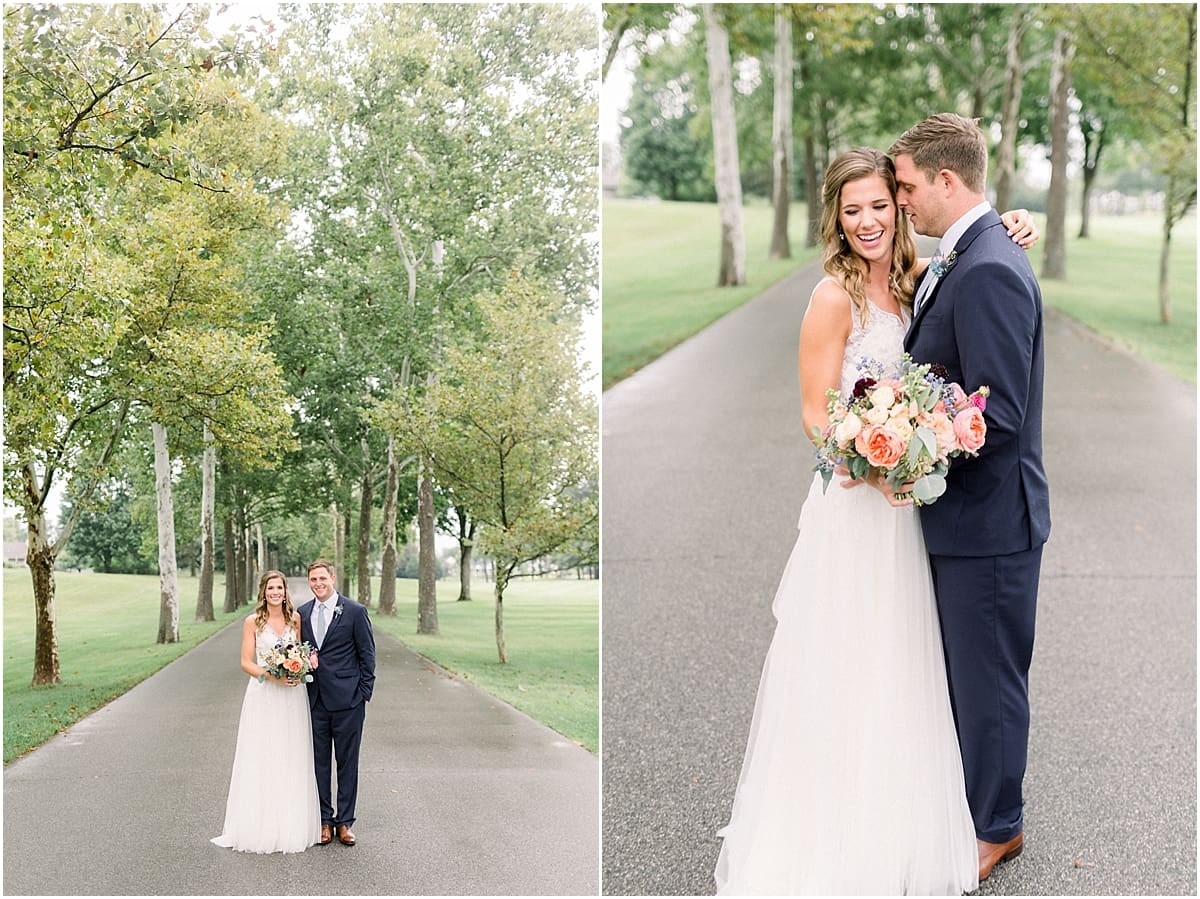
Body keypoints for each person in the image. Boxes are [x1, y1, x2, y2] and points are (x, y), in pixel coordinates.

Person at [713, 146, 1038, 894]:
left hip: (909, 509)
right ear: (836, 216)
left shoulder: (918, 281)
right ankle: (832, 816)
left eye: (879, 206)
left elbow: (975, 256)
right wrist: (867, 460)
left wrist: (1014, 218)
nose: (866, 221)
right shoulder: (834, 297)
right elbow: (812, 409)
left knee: (906, 658)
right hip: (858, 505)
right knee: (845, 657)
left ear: (900, 208)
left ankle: (903, 809)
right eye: (851, 209)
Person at [890, 113, 1050, 883]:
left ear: (947, 181)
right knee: (968, 673)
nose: (903, 201)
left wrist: (904, 419)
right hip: (965, 520)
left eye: (909, 186)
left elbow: (998, 411)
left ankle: (998, 826)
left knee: (988, 679)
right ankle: (977, 808)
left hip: (990, 523)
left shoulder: (987, 265)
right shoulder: (972, 251)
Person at [212, 570, 322, 853]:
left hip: (291, 696)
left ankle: (291, 824)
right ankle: (258, 826)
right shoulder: (253, 622)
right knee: (262, 754)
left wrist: (298, 669)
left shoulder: (294, 619)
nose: (276, 592)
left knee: (290, 754)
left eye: (280, 588)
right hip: (264, 695)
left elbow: (299, 653)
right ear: (263, 591)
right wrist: (271, 676)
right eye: (271, 588)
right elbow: (245, 663)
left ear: (286, 592)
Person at [297, 559, 376, 847]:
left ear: (333, 578)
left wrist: (363, 693)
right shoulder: (302, 613)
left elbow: (367, 654)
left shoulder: (355, 611)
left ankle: (345, 822)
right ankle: (324, 820)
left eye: (322, 579)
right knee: (318, 764)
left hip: (348, 702)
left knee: (347, 763)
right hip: (315, 700)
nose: (318, 584)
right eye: (313, 580)